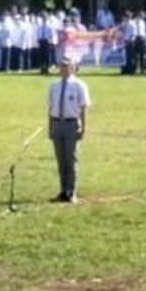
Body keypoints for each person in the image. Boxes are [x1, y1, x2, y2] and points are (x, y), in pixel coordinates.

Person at [47, 55, 91, 203]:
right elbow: (51, 107)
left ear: (72, 67)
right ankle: (62, 190)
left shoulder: (79, 85)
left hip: (71, 124)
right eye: (62, 66)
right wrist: (50, 127)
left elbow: (84, 108)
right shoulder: (54, 86)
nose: (64, 69)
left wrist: (83, 128)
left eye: (67, 66)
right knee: (61, 160)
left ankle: (71, 192)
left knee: (71, 159)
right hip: (57, 123)